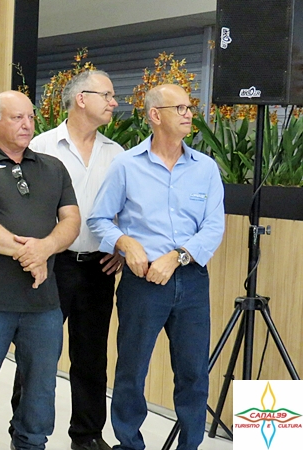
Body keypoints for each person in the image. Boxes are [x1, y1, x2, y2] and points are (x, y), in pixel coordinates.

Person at [88, 84, 225, 450]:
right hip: (142, 282)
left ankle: (189, 445)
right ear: (154, 115)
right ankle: (129, 444)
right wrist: (125, 243)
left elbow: (213, 226)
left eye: (189, 107)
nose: (188, 113)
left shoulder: (205, 168)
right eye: (179, 107)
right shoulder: (126, 165)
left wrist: (178, 256)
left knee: (193, 373)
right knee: (132, 371)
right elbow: (99, 219)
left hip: (191, 280)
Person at [0, 90, 81, 450]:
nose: (27, 124)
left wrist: (46, 248)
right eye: (16, 117)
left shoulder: (53, 167)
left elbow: (71, 221)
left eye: (30, 117)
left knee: (40, 394)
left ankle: (30, 444)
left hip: (43, 305)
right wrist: (30, 254)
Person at [25, 70, 125, 450]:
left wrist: (119, 245)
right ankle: (28, 434)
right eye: (107, 95)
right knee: (40, 354)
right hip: (53, 264)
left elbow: (126, 209)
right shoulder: (42, 146)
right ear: (82, 98)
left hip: (99, 266)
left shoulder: (116, 154)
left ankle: (87, 436)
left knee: (91, 357)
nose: (114, 102)